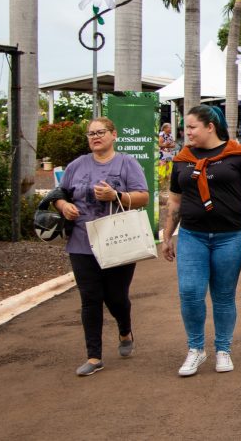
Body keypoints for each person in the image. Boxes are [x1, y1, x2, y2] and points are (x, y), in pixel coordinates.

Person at [162, 105, 241, 377]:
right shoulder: (182, 159)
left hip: (230, 237)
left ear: (210, 126)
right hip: (191, 236)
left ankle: (223, 349)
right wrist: (167, 233)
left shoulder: (239, 157)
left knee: (223, 297)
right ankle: (196, 349)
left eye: (192, 127)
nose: (187, 133)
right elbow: (175, 201)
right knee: (189, 292)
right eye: (185, 128)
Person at [55, 117, 149, 376]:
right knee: (90, 299)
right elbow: (59, 194)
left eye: (100, 132)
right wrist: (64, 206)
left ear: (113, 134)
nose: (95, 137)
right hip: (82, 243)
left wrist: (117, 196)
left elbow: (143, 197)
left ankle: (125, 330)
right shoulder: (77, 165)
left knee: (116, 297)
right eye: (90, 134)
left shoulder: (127, 164)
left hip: (116, 241)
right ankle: (94, 356)